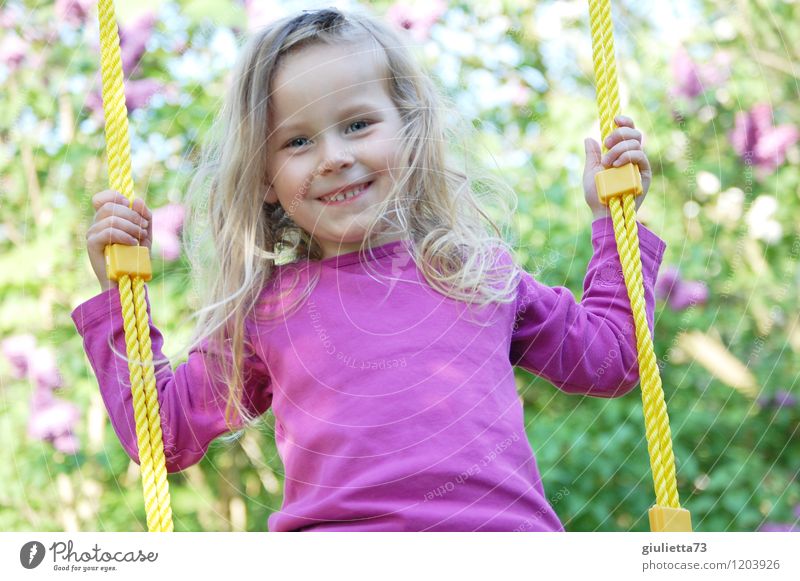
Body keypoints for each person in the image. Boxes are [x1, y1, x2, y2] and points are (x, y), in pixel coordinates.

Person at [71, 7, 664, 532]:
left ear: (409, 130)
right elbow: (165, 435)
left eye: (357, 125)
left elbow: (610, 359)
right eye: (298, 141)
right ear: (265, 180)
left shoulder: (473, 271)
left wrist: (613, 223)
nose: (335, 157)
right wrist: (120, 297)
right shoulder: (270, 312)